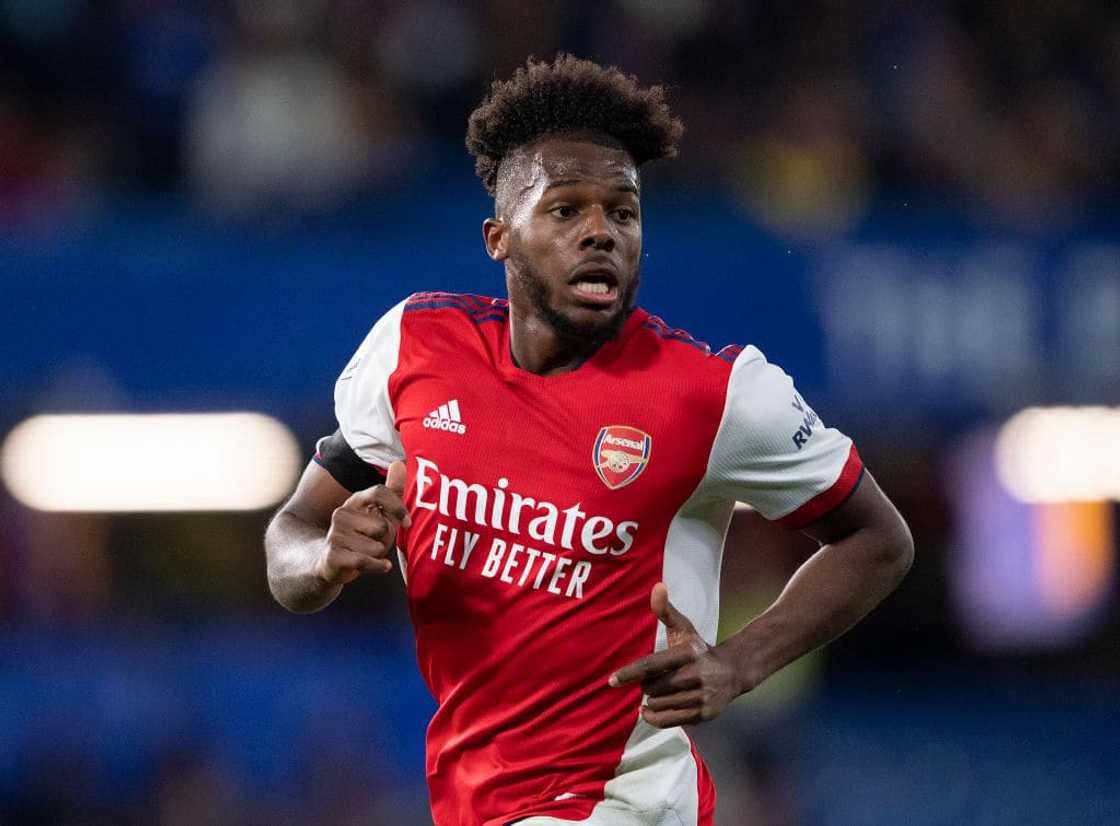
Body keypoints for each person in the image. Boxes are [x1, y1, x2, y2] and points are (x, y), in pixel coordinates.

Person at [264, 54, 914, 826]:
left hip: (623, 804)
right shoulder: (413, 348)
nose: (602, 231)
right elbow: (290, 538)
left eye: (624, 211)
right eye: (567, 210)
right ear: (499, 237)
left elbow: (879, 539)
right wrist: (325, 558)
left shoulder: (716, 395)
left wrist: (738, 664)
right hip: (477, 802)